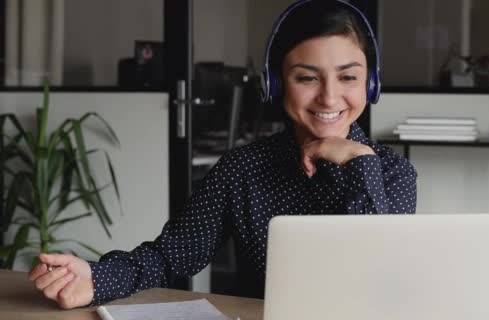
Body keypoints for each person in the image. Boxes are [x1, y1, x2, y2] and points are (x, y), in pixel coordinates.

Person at [27, 0, 417, 309]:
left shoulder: (393, 172)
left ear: (370, 84)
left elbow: (376, 279)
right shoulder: (244, 168)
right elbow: (171, 256)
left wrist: (357, 160)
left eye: (348, 77)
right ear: (277, 84)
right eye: (307, 77)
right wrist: (95, 279)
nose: (330, 97)